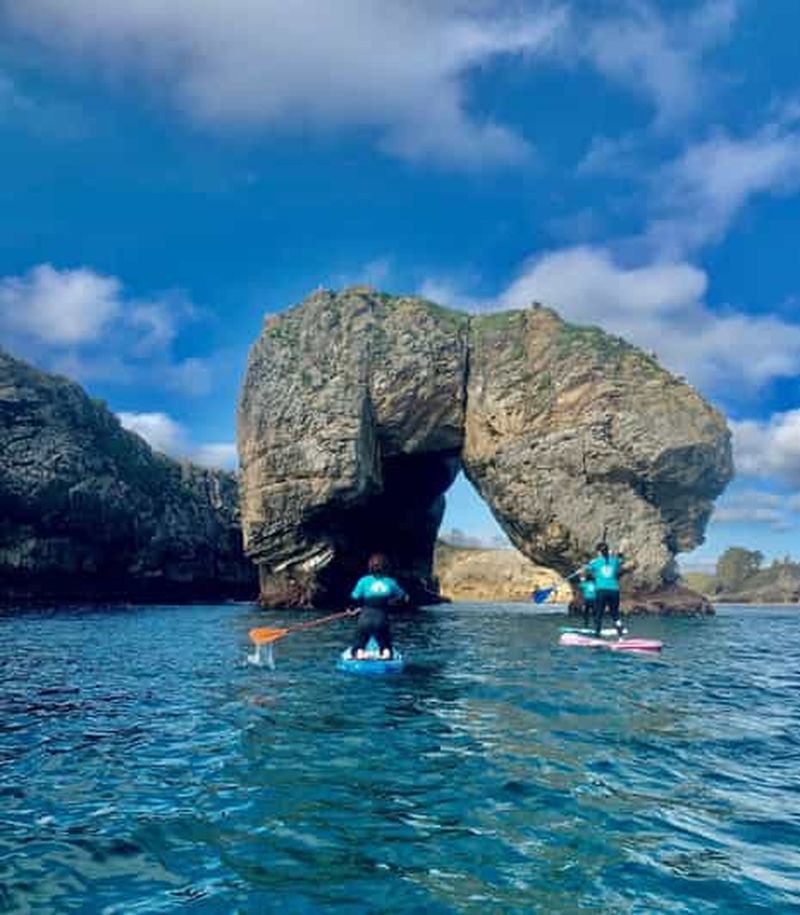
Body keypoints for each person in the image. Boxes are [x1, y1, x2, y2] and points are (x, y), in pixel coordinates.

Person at [348, 553, 408, 659]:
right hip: (381, 619)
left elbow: (354, 598)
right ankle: (386, 654)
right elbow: (403, 598)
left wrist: (352, 609)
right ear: (386, 567)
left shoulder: (363, 581)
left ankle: (360, 653)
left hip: (364, 618)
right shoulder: (391, 582)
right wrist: (393, 602)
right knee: (385, 643)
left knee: (360, 641)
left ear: (370, 567)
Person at [584, 542, 626, 637]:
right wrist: (621, 548)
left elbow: (587, 571)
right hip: (614, 591)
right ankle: (620, 630)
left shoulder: (595, 562)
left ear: (599, 552)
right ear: (607, 551)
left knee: (599, 613)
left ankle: (597, 633)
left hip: (601, 591)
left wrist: (587, 565)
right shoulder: (614, 561)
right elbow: (621, 559)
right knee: (614, 613)